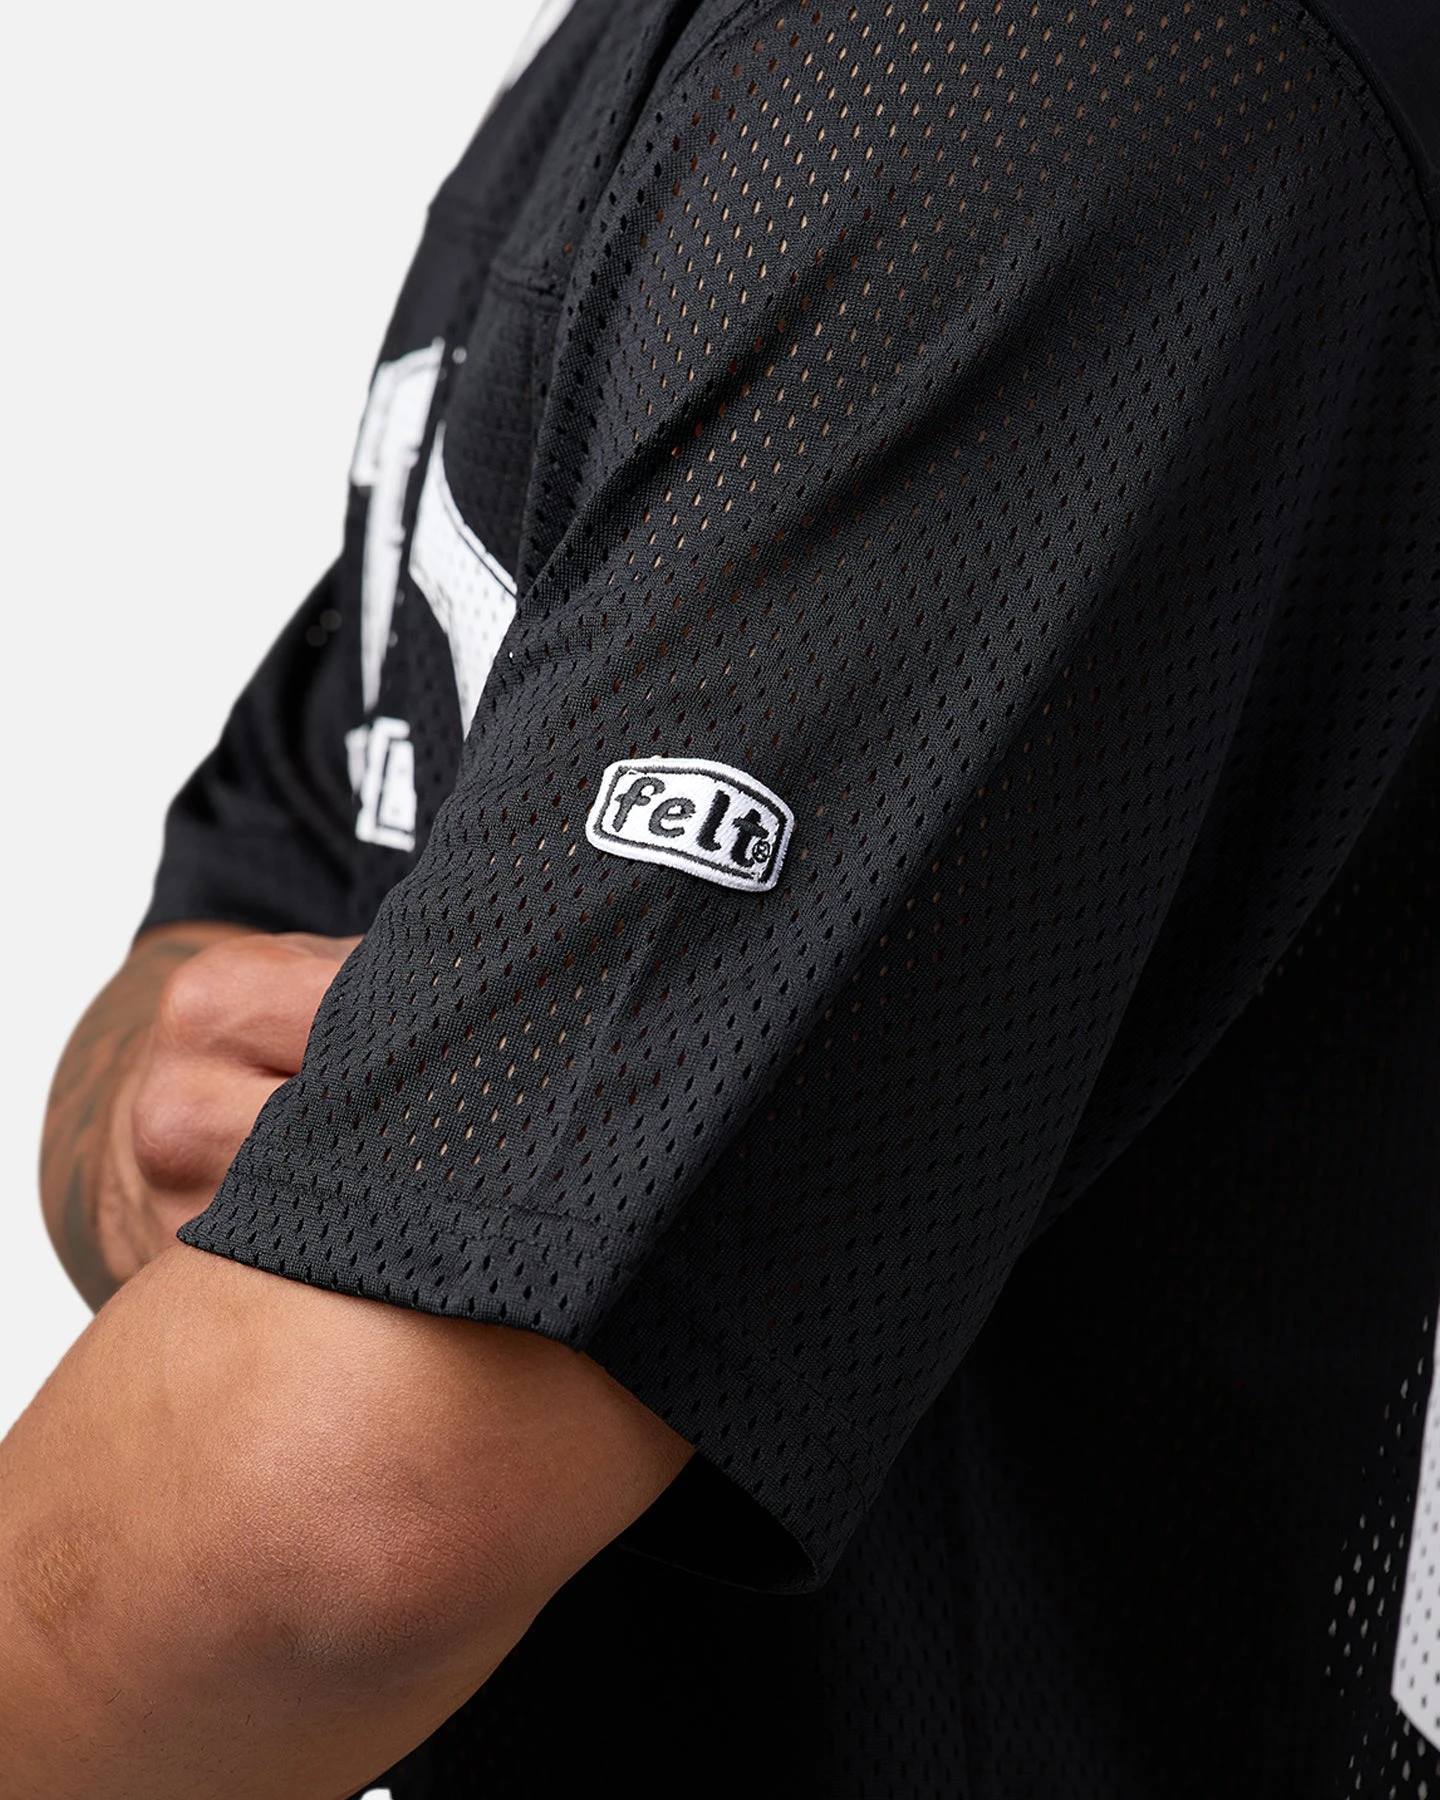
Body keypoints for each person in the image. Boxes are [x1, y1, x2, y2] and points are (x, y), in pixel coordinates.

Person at [6, 0, 1440, 1793]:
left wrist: (318, 1285)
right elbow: (214, 957)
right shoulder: (664, 72)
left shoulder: (1032, 76)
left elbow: (326, 1526)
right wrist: (136, 1141)